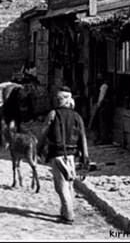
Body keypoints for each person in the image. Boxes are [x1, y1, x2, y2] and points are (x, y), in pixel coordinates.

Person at [38, 87, 89, 225]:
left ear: (64, 100)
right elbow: (83, 138)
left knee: (61, 186)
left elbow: (43, 133)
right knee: (69, 185)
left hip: (58, 154)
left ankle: (68, 216)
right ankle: (64, 211)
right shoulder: (77, 117)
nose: (58, 100)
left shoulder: (53, 114)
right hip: (72, 155)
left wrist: (39, 149)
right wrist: (85, 158)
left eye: (59, 98)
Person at [89, 73, 112, 144]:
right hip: (103, 106)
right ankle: (100, 138)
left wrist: (98, 105)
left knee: (102, 123)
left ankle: (103, 138)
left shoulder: (104, 86)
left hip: (103, 106)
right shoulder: (103, 85)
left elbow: (101, 97)